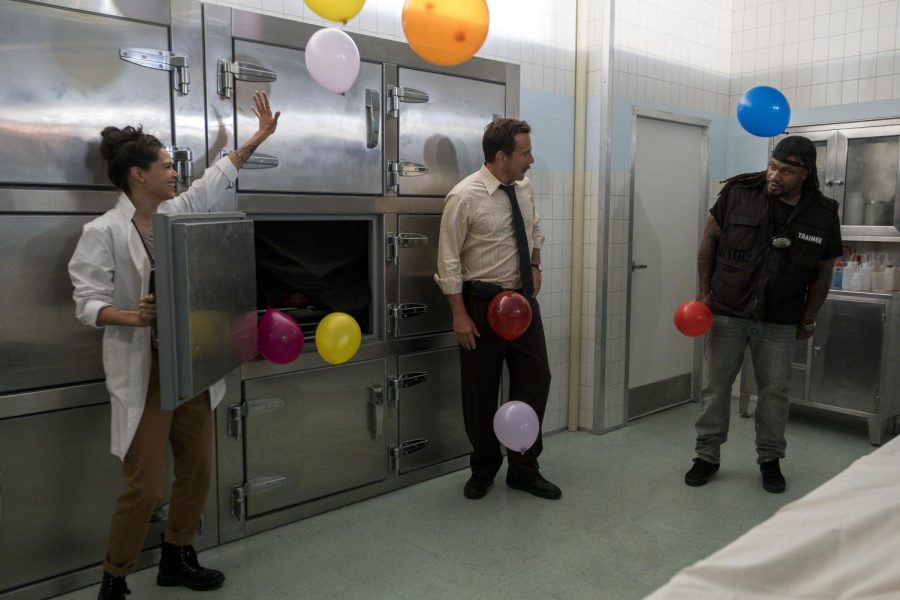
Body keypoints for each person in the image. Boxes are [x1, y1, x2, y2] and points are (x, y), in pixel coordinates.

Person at [68, 91, 280, 600]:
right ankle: (114, 578)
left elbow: (216, 178)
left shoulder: (175, 213)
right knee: (143, 483)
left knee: (199, 465)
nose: (174, 172)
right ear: (137, 175)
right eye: (165, 165)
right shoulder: (102, 232)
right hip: (146, 368)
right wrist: (131, 316)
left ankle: (177, 555)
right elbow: (87, 301)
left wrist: (256, 139)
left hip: (190, 360)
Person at [685, 135, 842, 494]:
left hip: (781, 316)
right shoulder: (739, 192)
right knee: (716, 386)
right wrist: (705, 292)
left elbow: (822, 272)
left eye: (785, 171)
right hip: (728, 308)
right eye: (773, 166)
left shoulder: (823, 212)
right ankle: (706, 455)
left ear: (805, 173)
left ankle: (770, 460)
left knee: (774, 391)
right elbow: (709, 240)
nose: (774, 175)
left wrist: (809, 316)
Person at [434, 118, 560, 501]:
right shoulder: (464, 196)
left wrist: (535, 266)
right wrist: (459, 314)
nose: (531, 160)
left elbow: (534, 229)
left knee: (535, 381)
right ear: (501, 155)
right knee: (480, 392)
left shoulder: (523, 188)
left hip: (522, 304)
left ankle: (524, 469)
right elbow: (448, 260)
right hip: (481, 305)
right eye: (525, 153)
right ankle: (484, 467)